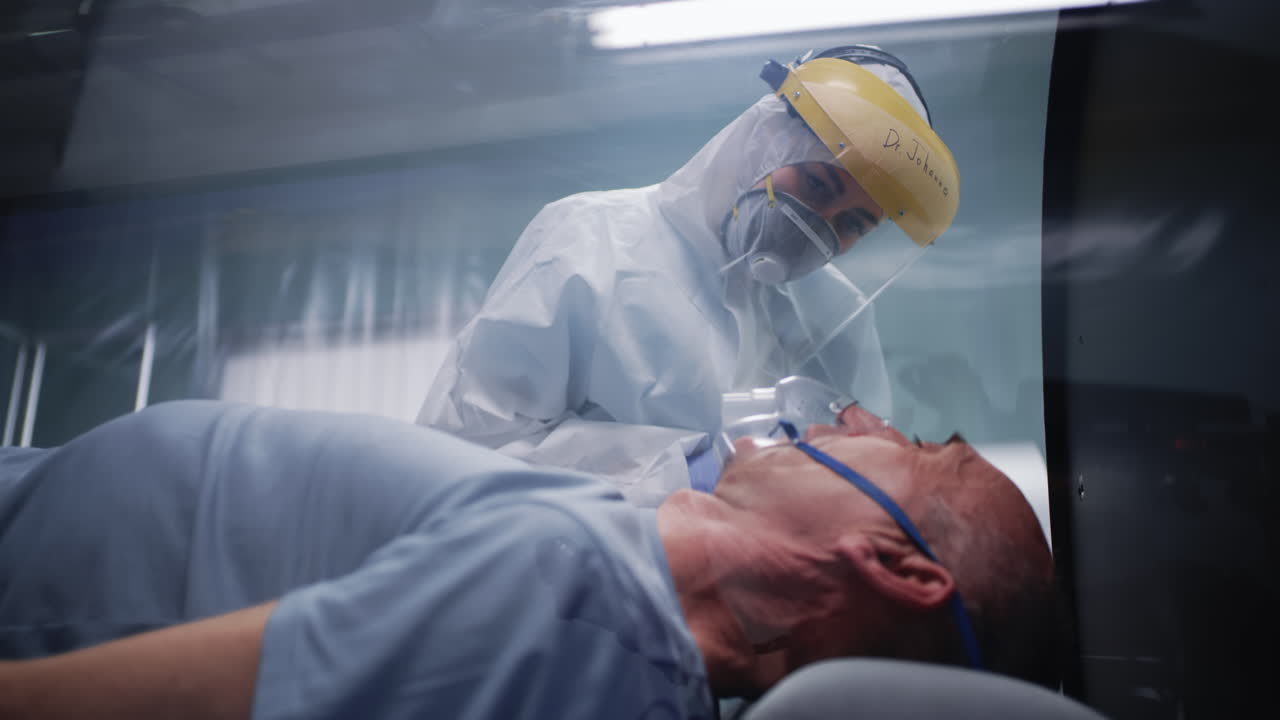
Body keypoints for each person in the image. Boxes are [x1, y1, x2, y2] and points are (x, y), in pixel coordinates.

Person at [0, 398, 1052, 719]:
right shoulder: (624, 591)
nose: (863, 419)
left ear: (899, 567)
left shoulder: (587, 628)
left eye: (914, 448)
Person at [419, 45, 961, 505]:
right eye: (817, 185)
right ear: (766, 138)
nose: (819, 227)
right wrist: (690, 473)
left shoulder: (835, 315)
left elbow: (859, 476)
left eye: (854, 225)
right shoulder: (591, 238)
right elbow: (469, 451)